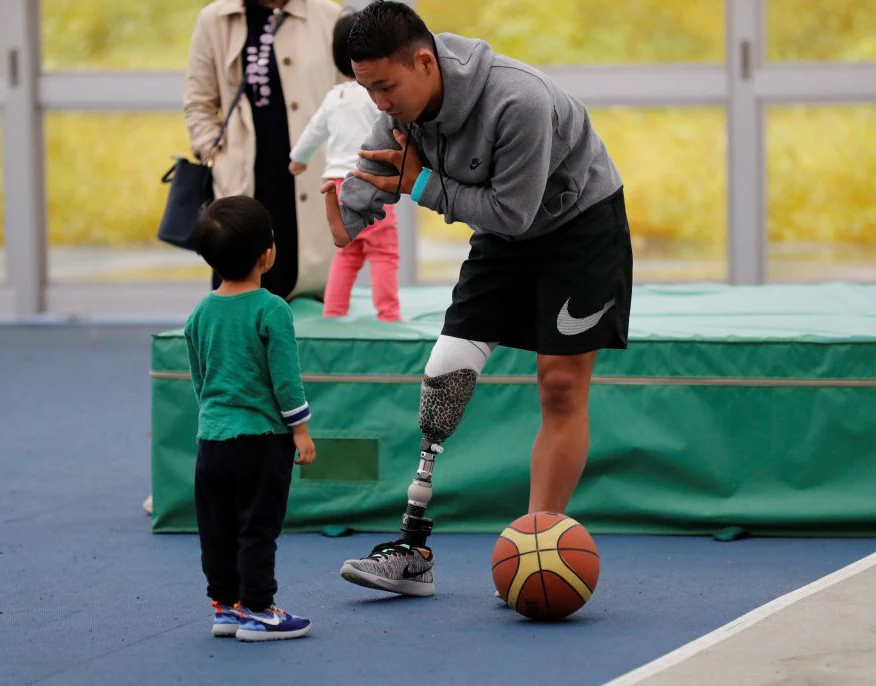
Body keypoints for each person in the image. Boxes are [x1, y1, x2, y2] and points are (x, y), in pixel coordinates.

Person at [322, 1, 632, 597]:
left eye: (385, 87)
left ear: (423, 61)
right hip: (503, 229)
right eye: (368, 91)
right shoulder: (396, 101)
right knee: (443, 379)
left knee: (560, 385)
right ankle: (412, 551)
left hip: (579, 227)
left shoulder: (520, 101)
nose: (380, 104)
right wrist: (338, 222)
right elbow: (370, 177)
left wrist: (419, 184)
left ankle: (539, 542)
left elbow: (512, 214)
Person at [184, 195, 317, 640]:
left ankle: (225, 608)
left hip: (213, 441)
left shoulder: (201, 312)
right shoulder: (272, 309)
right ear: (268, 254)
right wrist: (299, 430)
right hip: (261, 442)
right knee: (257, 528)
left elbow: (199, 377)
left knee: (216, 529)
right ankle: (259, 610)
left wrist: (214, 417)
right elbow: (285, 379)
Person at [184, 0, 342, 300]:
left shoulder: (328, 16)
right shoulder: (215, 19)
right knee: (239, 303)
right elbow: (199, 101)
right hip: (242, 187)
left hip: (308, 183)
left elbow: (352, 92)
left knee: (306, 299)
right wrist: (214, 156)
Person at [289, 10, 401, 322]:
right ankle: (388, 313)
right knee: (383, 251)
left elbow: (314, 130)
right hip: (369, 181)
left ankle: (333, 310)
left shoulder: (335, 96)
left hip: (335, 186)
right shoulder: (376, 96)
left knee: (347, 251)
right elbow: (397, 130)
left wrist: (298, 159)